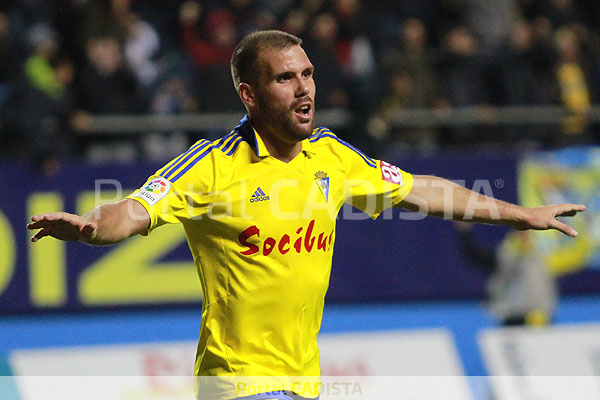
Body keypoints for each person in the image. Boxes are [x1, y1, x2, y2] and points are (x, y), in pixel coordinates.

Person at [27, 30, 585, 400]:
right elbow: (132, 210)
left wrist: (519, 214)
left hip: (303, 384)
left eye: (309, 74)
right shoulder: (209, 168)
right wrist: (92, 227)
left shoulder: (331, 156)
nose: (304, 89)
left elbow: (424, 191)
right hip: (239, 387)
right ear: (249, 94)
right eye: (285, 78)